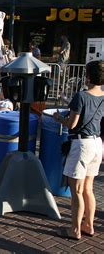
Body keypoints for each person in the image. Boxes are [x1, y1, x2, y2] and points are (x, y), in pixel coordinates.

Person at [53, 60, 104, 240]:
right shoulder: (103, 96)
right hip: (97, 144)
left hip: (82, 145)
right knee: (88, 189)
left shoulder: (81, 96)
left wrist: (59, 118)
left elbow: (72, 124)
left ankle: (74, 230)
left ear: (88, 75)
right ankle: (88, 225)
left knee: (76, 191)